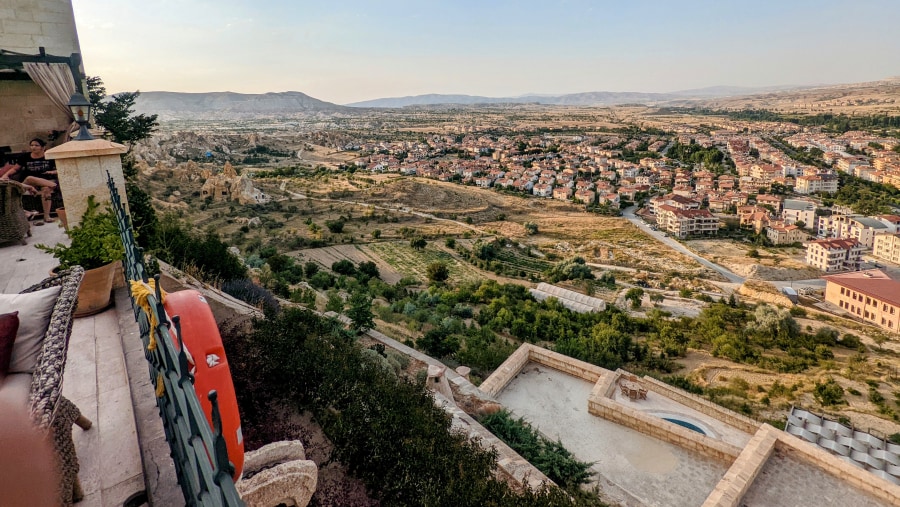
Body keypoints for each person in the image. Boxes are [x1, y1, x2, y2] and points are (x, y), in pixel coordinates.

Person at [0, 138, 59, 223]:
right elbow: (15, 169)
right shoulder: (25, 157)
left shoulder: (49, 156)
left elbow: (60, 169)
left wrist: (53, 171)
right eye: (31, 145)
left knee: (46, 189)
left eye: (36, 145)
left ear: (43, 147)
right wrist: (6, 175)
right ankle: (55, 186)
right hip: (28, 182)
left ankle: (47, 216)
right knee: (30, 178)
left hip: (44, 181)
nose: (33, 147)